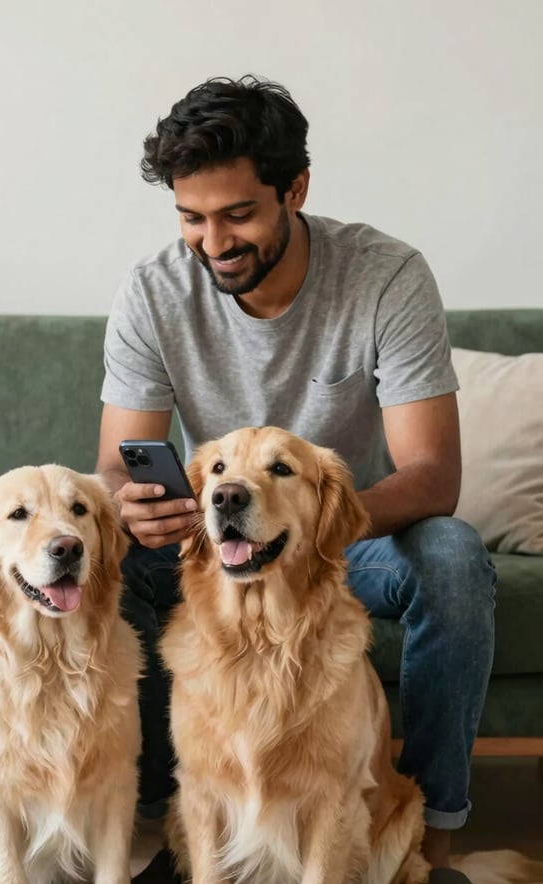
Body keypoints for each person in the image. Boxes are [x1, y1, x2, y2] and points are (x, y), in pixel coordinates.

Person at [96, 75, 495, 883]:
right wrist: (129, 505)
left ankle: (429, 842)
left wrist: (314, 526)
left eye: (238, 215)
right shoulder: (153, 291)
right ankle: (181, 831)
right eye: (192, 218)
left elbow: (431, 477)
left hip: (341, 540)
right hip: (211, 538)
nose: (214, 242)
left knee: (453, 558)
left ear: (295, 189)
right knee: (111, 560)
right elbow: (115, 464)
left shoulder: (385, 276)